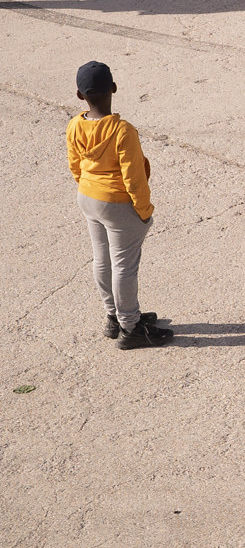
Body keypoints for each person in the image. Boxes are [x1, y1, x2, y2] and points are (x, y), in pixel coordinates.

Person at [67, 61, 171, 349]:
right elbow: (134, 177)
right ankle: (130, 327)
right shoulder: (123, 131)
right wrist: (143, 210)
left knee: (102, 259)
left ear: (79, 95)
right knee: (124, 266)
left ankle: (113, 317)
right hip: (117, 203)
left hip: (88, 198)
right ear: (113, 88)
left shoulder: (75, 124)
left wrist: (87, 187)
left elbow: (75, 165)